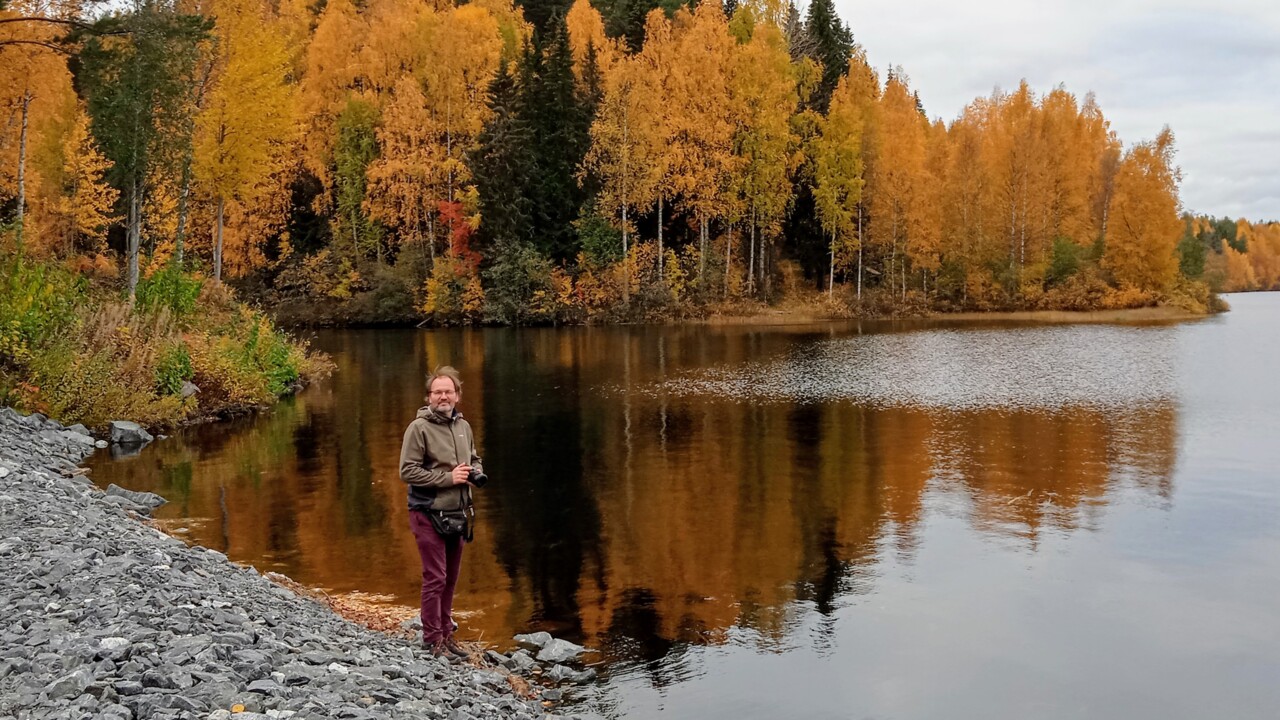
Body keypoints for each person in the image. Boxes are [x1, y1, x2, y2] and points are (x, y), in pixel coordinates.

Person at [399, 365, 482, 660]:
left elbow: (474, 458)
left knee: (450, 579)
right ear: (429, 397)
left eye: (448, 391)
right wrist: (448, 479)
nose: (443, 396)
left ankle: (447, 635)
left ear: (457, 395)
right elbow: (407, 471)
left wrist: (475, 472)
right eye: (437, 392)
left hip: (457, 514)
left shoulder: (464, 427)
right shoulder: (418, 428)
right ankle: (432, 639)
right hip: (427, 512)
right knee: (435, 577)